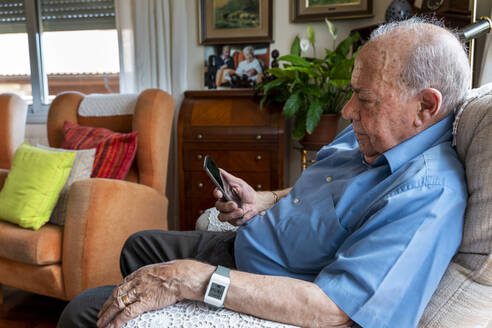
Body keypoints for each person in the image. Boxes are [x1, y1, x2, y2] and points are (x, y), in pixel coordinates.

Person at [57, 17, 471, 328]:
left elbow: (335, 308)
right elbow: (320, 185)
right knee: (138, 247)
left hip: (270, 287)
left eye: (364, 99)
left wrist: (194, 281)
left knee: (82, 311)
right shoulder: (373, 133)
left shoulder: (428, 194)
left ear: (426, 107)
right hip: (252, 245)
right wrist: (266, 199)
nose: (347, 111)